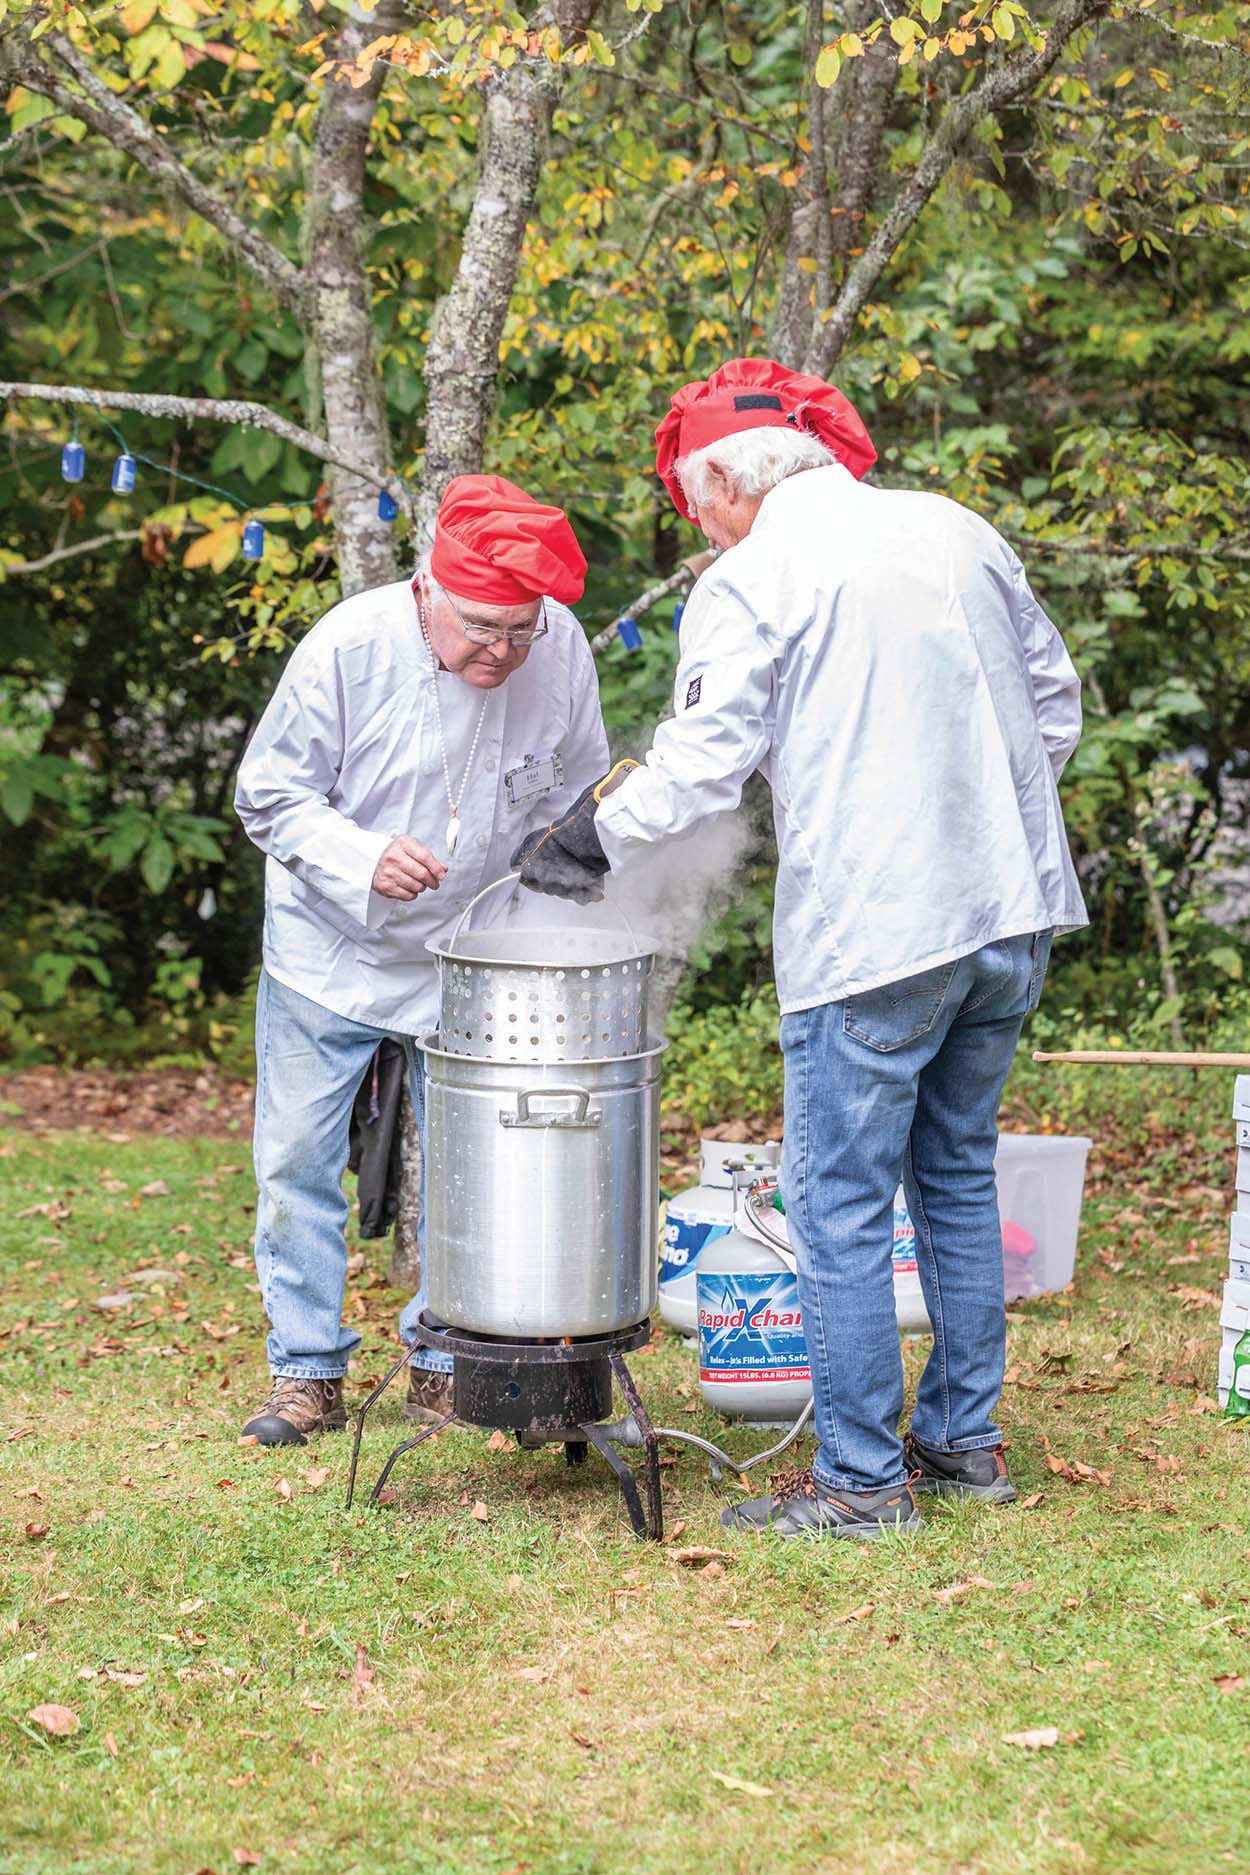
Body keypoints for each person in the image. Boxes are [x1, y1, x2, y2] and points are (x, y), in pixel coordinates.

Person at [514, 357, 1088, 1539]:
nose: (700, 527)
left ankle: (861, 1486)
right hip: (1011, 910)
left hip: (877, 935)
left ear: (730, 477)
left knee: (832, 1205)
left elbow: (701, 762)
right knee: (954, 1184)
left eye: (694, 504)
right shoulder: (954, 529)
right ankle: (964, 1447)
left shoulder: (752, 575)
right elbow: (1052, 706)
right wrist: (975, 819)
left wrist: (588, 838)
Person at [234, 475, 609, 1446]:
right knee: (295, 1162)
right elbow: (267, 796)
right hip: (333, 948)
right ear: (426, 592)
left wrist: (552, 912)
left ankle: (445, 1360)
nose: (503, 651)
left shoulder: (554, 649)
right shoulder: (350, 647)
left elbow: (576, 793)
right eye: (483, 627)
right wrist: (361, 857)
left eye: (521, 630)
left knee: (475, 1164)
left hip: (477, 950)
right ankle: (305, 1372)